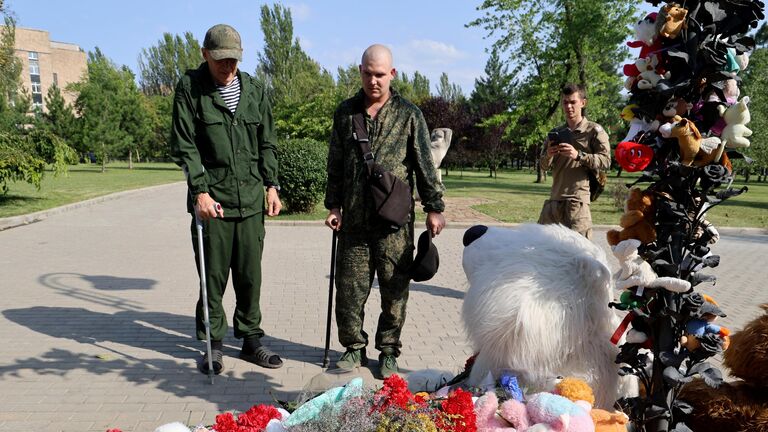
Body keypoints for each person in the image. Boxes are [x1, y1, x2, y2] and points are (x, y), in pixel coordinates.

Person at [324, 44, 446, 378]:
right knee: (349, 289)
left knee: (394, 289)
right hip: (354, 222)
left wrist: (434, 208)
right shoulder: (346, 112)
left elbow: (424, 163)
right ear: (360, 71)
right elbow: (335, 163)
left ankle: (389, 350)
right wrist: (334, 205)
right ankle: (352, 347)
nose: (373, 81)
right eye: (367, 73)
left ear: (392, 74)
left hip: (394, 222)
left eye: (380, 74)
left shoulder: (409, 113)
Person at [170, 24, 283, 375]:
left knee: (250, 277)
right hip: (213, 203)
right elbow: (184, 145)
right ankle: (213, 345)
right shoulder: (190, 89)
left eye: (234, 60)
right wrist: (199, 191)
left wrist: (272, 185)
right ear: (205, 54)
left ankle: (251, 341)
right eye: (221, 60)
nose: (228, 67)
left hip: (250, 200)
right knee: (214, 277)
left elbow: (267, 141)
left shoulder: (254, 90)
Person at [538, 83, 611, 240]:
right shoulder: (555, 133)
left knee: (580, 255)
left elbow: (606, 161)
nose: (569, 106)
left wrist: (579, 155)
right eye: (565, 102)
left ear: (583, 103)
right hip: (554, 203)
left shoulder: (593, 131)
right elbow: (543, 165)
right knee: (542, 250)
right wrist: (549, 155)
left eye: (573, 102)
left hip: (577, 204)